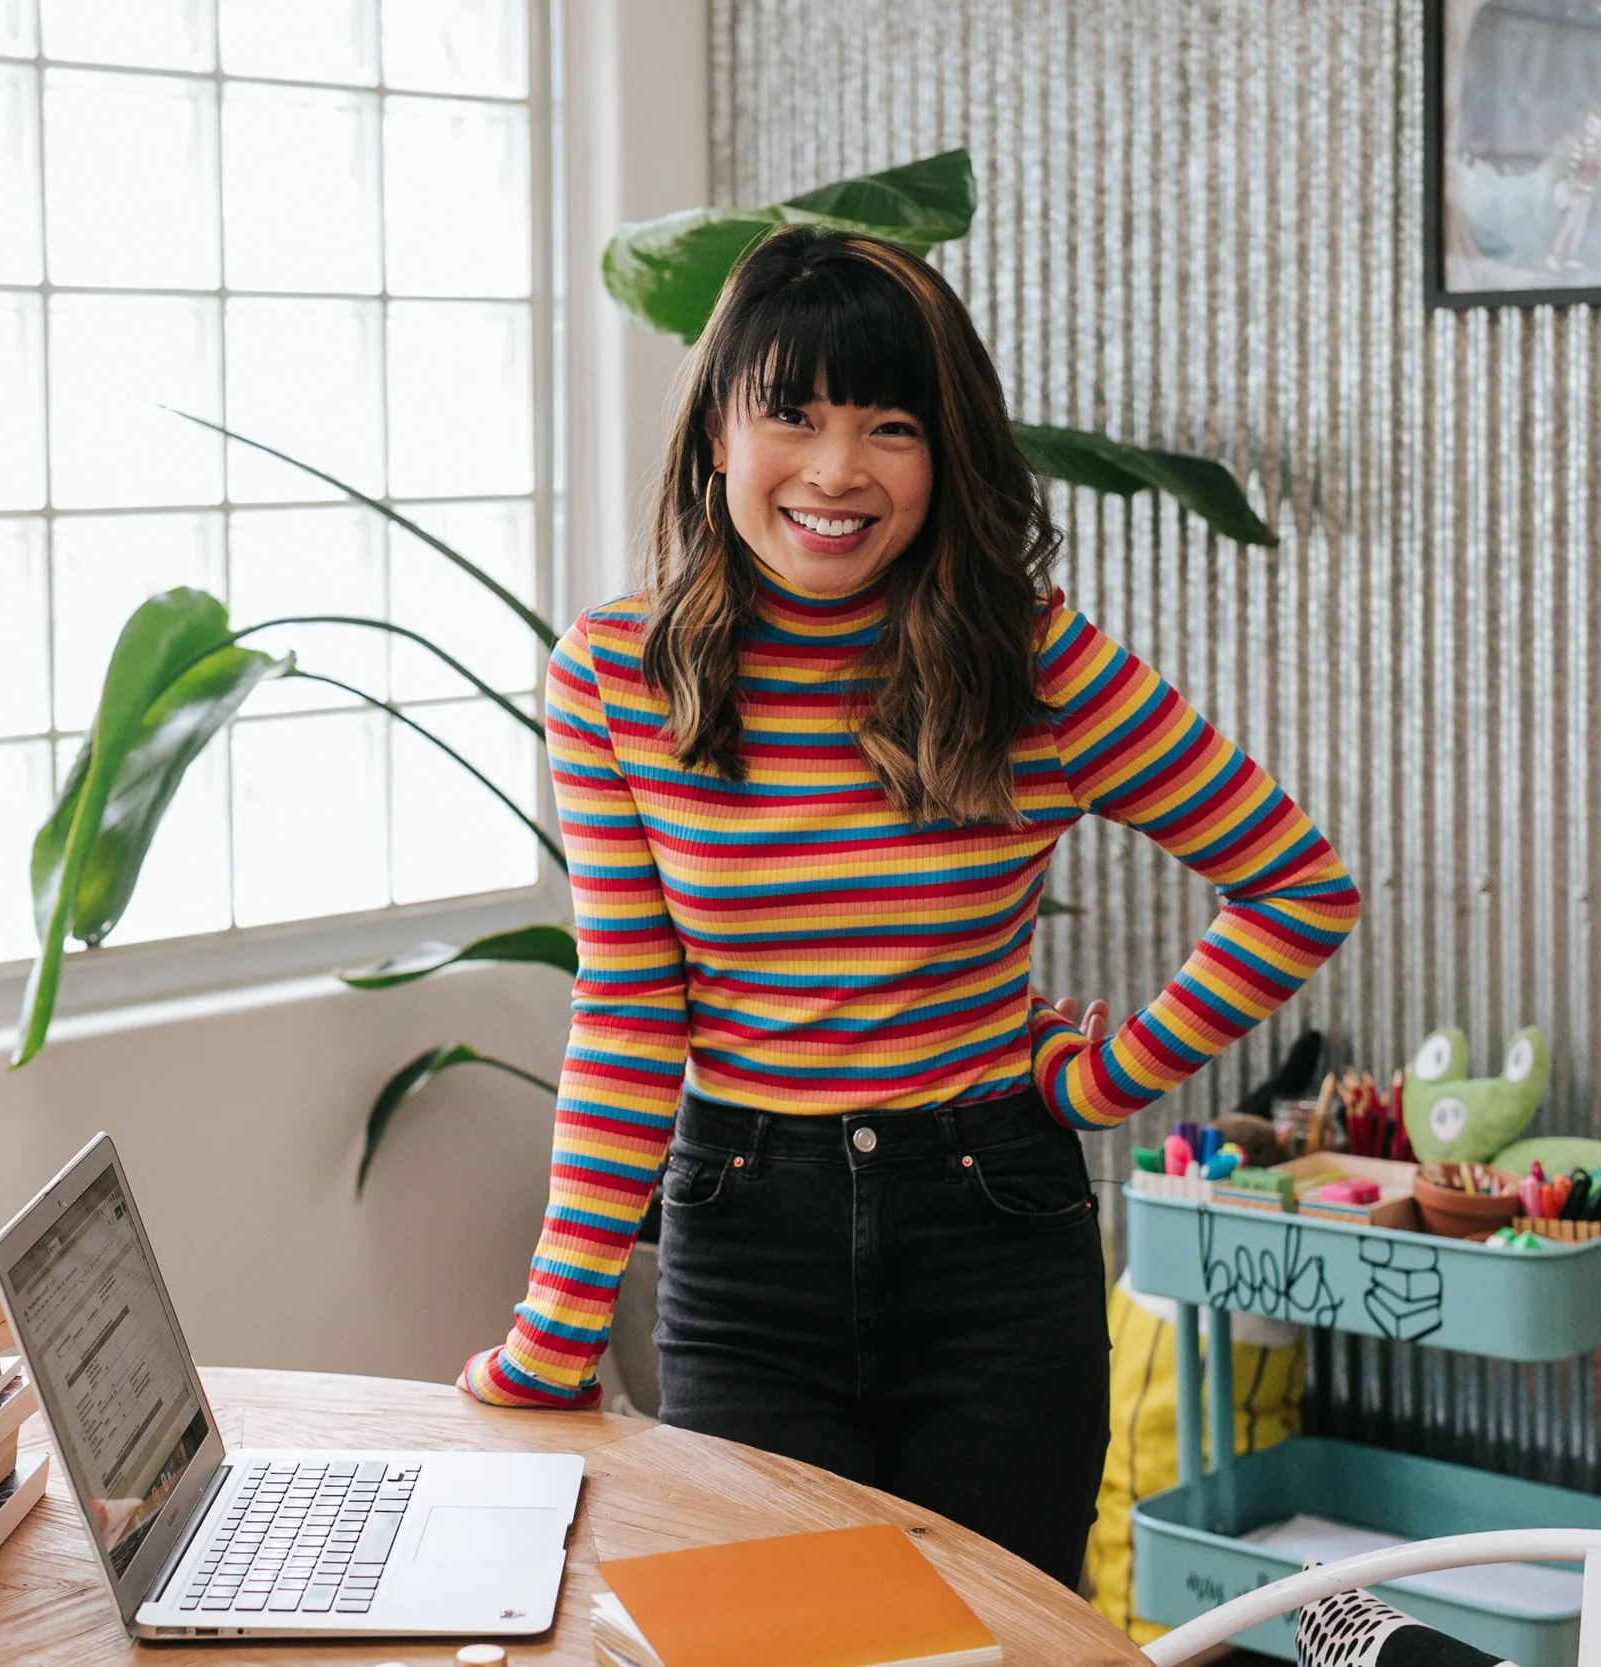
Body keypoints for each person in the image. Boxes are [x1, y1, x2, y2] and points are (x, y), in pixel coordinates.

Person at [458, 224, 1359, 1585]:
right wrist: (557, 1335)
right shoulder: (614, 680)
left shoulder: (1036, 663)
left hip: (991, 1236)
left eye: (890, 425)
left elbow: (1299, 880)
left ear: (945, 457)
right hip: (745, 1243)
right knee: (778, 1634)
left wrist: (1112, 1077)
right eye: (793, 415)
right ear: (716, 432)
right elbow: (635, 1014)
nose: (837, 471)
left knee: (998, 1640)